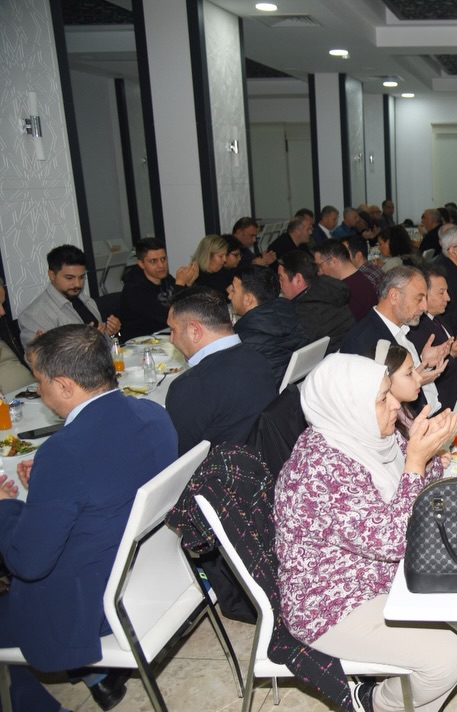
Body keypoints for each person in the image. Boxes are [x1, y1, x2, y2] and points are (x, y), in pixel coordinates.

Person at [274, 353, 457, 712]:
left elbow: (409, 493)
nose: (395, 403)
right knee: (448, 657)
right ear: (349, 406)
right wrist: (416, 461)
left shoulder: (365, 435)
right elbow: (394, 540)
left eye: (389, 392)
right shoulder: (319, 470)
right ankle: (374, 703)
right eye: (382, 398)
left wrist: (429, 456)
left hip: (379, 575)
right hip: (334, 603)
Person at [0, 325, 178, 712]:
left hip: (90, 606)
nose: (39, 391)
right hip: (153, 579)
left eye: (40, 382)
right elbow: (106, 483)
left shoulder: (64, 452)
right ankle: (93, 677)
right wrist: (47, 486)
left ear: (65, 385)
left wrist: (5, 506)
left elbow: (27, 563)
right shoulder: (152, 412)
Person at [165, 287, 276, 454]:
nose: (171, 339)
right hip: (261, 457)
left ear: (195, 331)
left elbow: (180, 459)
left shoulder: (190, 387)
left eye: (172, 330)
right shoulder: (259, 359)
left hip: (222, 467)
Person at [339, 266, 450, 414]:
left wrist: (425, 363)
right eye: (419, 299)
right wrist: (413, 380)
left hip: (433, 410)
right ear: (394, 296)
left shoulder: (402, 327)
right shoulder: (361, 341)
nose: (424, 307)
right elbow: (367, 404)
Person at [18, 244, 121, 349]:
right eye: (69, 278)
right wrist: (85, 344)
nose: (77, 284)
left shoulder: (88, 301)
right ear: (52, 275)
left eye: (81, 277)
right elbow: (39, 357)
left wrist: (111, 333)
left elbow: (108, 345)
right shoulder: (34, 315)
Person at [408, 264, 457, 411]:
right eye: (441, 293)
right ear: (423, 295)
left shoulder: (436, 318)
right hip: (447, 404)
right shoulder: (416, 329)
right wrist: (452, 354)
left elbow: (447, 348)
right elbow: (427, 379)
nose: (448, 298)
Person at [229, 265, 309, 386]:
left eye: (233, 290)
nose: (229, 296)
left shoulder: (241, 341)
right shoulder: (290, 316)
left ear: (248, 299)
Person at [119, 238, 199, 339]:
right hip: (142, 340)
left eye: (163, 259)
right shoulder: (134, 290)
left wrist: (189, 284)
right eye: (153, 261)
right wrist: (180, 284)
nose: (161, 265)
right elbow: (169, 318)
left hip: (165, 335)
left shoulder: (166, 279)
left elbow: (188, 309)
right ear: (141, 264)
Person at [278, 249, 354, 353]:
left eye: (281, 279)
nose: (280, 285)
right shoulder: (327, 289)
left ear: (298, 279)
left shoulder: (304, 312)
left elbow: (291, 352)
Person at [311, 239, 378, 321]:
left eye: (319, 265)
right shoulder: (362, 277)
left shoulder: (345, 291)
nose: (319, 272)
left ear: (333, 262)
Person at [0, 279, 34, 393]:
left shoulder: (4, 326)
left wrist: (31, 355)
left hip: (32, 392)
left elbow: (22, 361)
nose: (2, 312)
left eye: (2, 304)